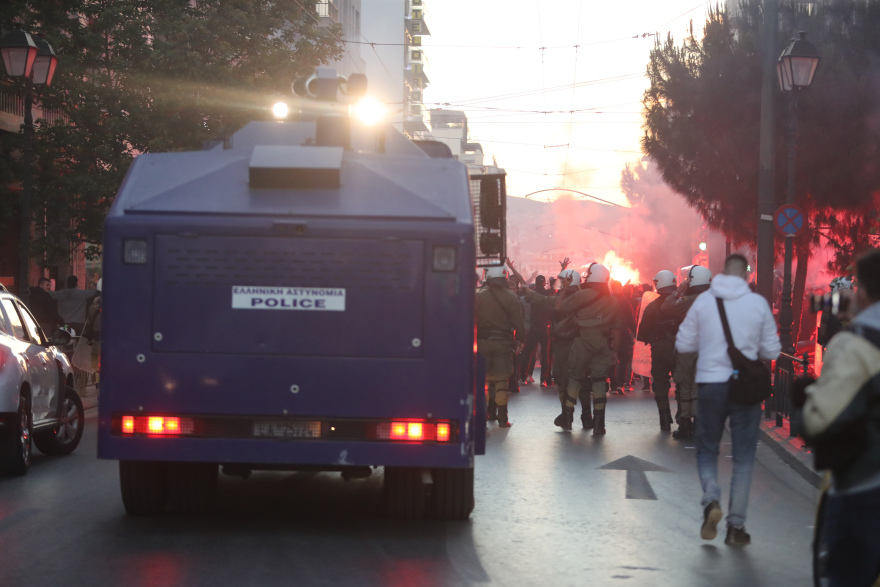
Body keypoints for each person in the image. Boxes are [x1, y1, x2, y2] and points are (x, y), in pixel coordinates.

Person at [675, 253, 781, 546]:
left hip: (711, 384)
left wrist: (708, 345)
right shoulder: (758, 304)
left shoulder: (704, 302)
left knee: (707, 449)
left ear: (722, 273)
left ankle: (711, 499)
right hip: (744, 387)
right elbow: (772, 352)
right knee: (744, 457)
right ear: (746, 275)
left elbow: (683, 342)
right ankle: (736, 527)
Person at [799, 249, 880, 586]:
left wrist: (803, 398)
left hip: (863, 490)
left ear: (861, 291)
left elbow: (820, 420)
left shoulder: (856, 345)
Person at [555, 263, 618, 435]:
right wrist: (615, 351)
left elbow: (560, 307)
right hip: (602, 342)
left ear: (592, 276)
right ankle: (599, 424)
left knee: (574, 377)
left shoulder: (583, 295)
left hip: (582, 340)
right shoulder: (613, 300)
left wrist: (564, 289)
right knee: (598, 381)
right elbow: (617, 327)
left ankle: (567, 418)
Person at [662, 265, 713, 440]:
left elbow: (666, 307)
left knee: (684, 384)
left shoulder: (689, 300)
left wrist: (682, 287)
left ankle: (685, 425)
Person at [476, 266, 525, 427]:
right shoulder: (511, 297)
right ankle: (503, 417)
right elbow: (518, 322)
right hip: (503, 343)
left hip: (482, 343)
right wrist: (519, 340)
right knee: (501, 378)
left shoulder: (478, 296)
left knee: (485, 379)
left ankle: (486, 412)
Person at [637, 269, 679, 432]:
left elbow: (642, 334)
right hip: (679, 348)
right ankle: (683, 416)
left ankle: (664, 417)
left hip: (659, 349)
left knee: (660, 384)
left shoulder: (652, 307)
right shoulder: (681, 304)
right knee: (682, 382)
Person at [521, 275, 553, 386]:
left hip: (534, 326)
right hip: (545, 328)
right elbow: (557, 288)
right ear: (544, 283)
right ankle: (544, 379)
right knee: (545, 354)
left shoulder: (533, 295)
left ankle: (523, 376)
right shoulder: (548, 293)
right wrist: (563, 268)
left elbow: (526, 297)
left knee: (528, 352)